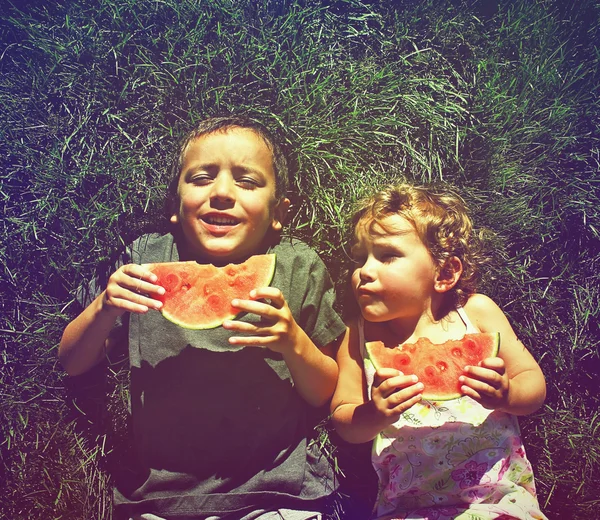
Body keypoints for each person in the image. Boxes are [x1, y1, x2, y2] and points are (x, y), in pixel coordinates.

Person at [59, 116, 347, 520]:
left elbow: (324, 394)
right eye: (201, 178)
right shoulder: (145, 260)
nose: (222, 192)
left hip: (278, 491)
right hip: (158, 497)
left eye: (247, 181)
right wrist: (105, 306)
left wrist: (293, 341)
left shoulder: (299, 266)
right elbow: (73, 364)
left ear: (278, 211)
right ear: (174, 206)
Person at [330, 183, 547, 520]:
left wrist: (508, 394)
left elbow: (533, 384)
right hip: (406, 508)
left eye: (386, 255)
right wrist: (375, 413)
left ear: (444, 273)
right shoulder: (356, 336)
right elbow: (344, 418)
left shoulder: (477, 313)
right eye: (361, 259)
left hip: (497, 501)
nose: (363, 272)